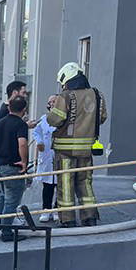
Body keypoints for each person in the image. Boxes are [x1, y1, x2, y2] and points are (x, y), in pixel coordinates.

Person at [47, 62, 107, 227]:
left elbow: (55, 120)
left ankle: (68, 219)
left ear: (66, 78)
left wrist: (50, 112)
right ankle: (90, 217)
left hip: (65, 150)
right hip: (87, 149)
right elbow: (102, 118)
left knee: (66, 184)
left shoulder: (66, 96)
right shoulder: (97, 94)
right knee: (85, 183)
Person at [0, 97, 30, 242]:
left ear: (9, 108)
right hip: (13, 167)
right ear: (24, 110)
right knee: (12, 200)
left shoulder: (0, 122)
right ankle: (6, 232)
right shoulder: (20, 125)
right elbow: (22, 144)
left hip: (0, 166)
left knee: (3, 195)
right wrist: (24, 162)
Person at [33, 95, 58, 222]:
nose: (52, 103)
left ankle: (57, 209)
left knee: (60, 186)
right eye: (50, 102)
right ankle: (46, 210)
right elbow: (36, 132)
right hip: (46, 156)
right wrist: (39, 142)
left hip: (59, 156)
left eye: (54, 101)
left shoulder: (65, 119)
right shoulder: (44, 119)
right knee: (47, 186)